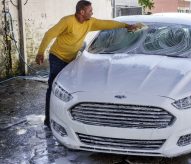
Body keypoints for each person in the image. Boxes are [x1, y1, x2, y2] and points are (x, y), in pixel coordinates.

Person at [35, 0, 138, 128]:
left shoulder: (90, 22)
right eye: (90, 10)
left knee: (68, 90)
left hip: (71, 59)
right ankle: (49, 120)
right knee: (54, 87)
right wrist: (40, 53)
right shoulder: (67, 21)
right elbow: (49, 34)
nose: (92, 12)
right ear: (82, 12)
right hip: (57, 57)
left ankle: (69, 118)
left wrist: (125, 26)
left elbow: (107, 24)